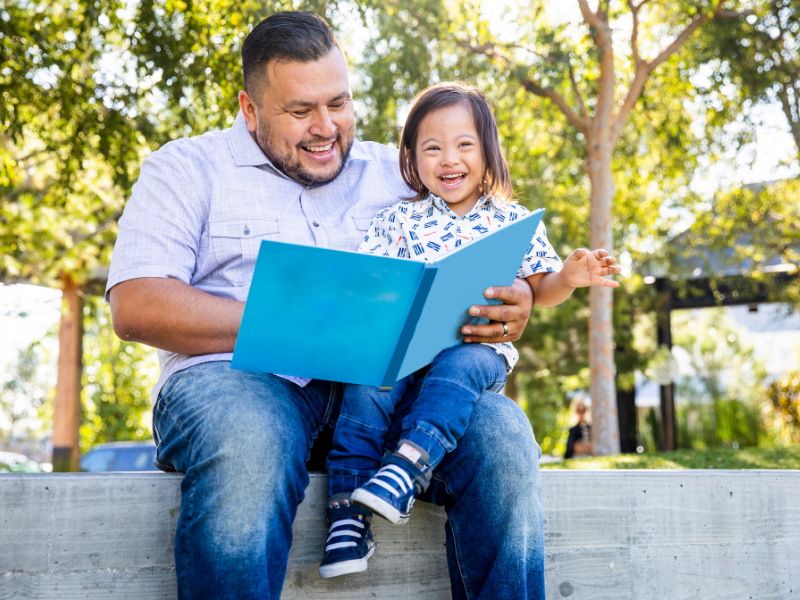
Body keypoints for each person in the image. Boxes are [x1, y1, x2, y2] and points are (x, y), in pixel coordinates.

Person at [107, 11, 552, 600]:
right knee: (250, 437)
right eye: (300, 112)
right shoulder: (186, 168)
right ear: (249, 108)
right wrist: (297, 323)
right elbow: (136, 306)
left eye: (338, 103)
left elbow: (479, 254)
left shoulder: (403, 177)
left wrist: (514, 299)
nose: (326, 128)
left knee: (502, 433)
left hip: (386, 396)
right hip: (239, 382)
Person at [320, 82, 621, 578]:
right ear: (412, 160)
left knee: (461, 362)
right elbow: (367, 284)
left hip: (475, 348)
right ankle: (346, 515)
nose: (448, 158)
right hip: (405, 350)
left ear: (487, 152)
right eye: (432, 148)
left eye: (464, 145)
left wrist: (569, 277)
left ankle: (408, 466)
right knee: (366, 382)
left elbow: (538, 289)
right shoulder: (397, 220)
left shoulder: (512, 221)